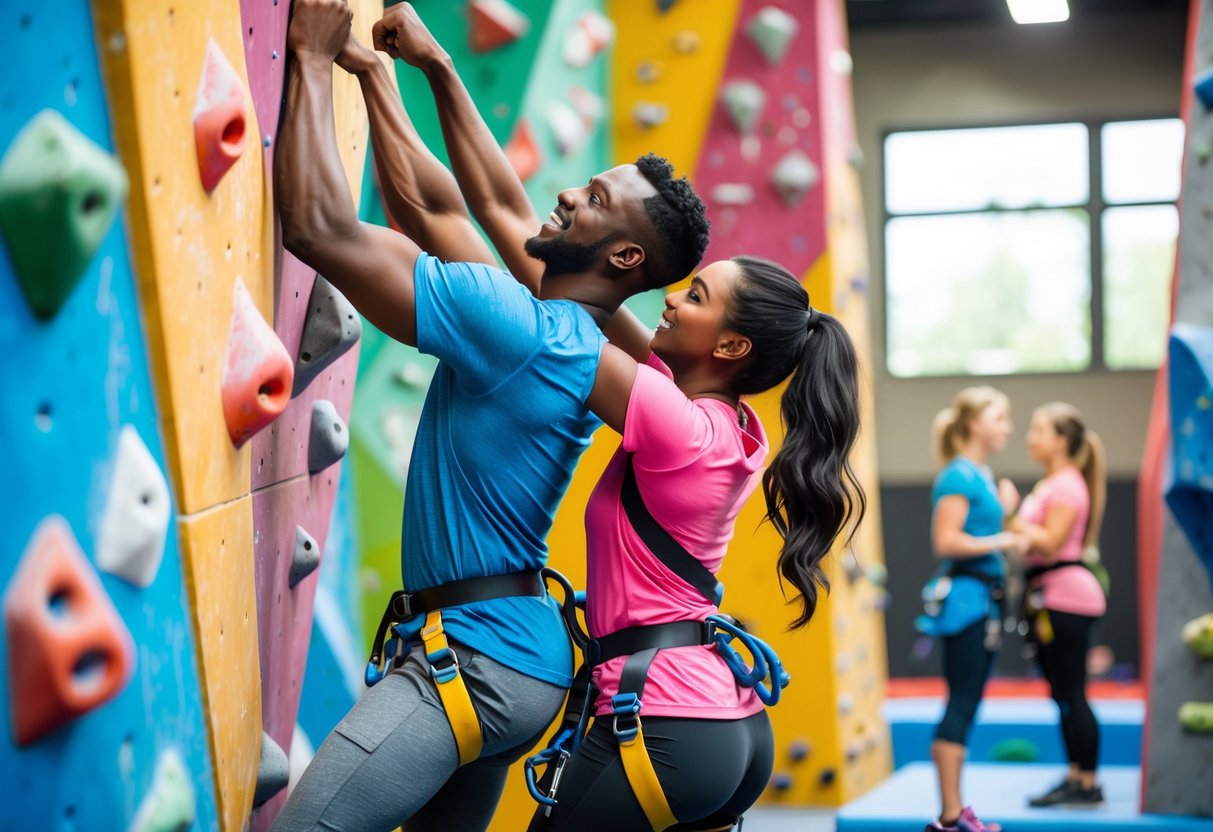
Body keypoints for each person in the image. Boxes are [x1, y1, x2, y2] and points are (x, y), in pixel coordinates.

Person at [336, 8, 865, 829]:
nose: (667, 301)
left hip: (663, 718)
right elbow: (508, 213)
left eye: (690, 297)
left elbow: (534, 289)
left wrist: (393, 82)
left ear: (727, 344)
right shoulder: (718, 418)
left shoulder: (668, 417)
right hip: (716, 716)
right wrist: (436, 67)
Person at [271, 2, 709, 830]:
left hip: (469, 664)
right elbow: (438, 208)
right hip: (516, 665)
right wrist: (383, 75)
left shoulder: (513, 324)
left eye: (595, 196)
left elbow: (319, 226)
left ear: (621, 258)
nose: (569, 189)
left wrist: (308, 56)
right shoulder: (560, 331)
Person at [924, 387, 1026, 832]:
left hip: (982, 602)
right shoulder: (959, 476)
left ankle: (954, 811)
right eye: (999, 418)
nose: (1007, 427)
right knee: (961, 703)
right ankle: (950, 815)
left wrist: (1004, 512)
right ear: (973, 424)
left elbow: (975, 530)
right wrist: (1002, 537)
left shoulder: (980, 475)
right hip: (967, 603)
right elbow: (946, 542)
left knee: (968, 702)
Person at [1007, 403, 1107, 808]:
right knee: (1063, 693)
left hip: (1067, 596)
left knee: (1073, 692)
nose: (1031, 438)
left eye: (1039, 430)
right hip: (1048, 597)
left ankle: (1087, 783)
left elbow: (1048, 543)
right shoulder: (1053, 483)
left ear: (1062, 442)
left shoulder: (1066, 485)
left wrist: (1010, 514)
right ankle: (1076, 777)